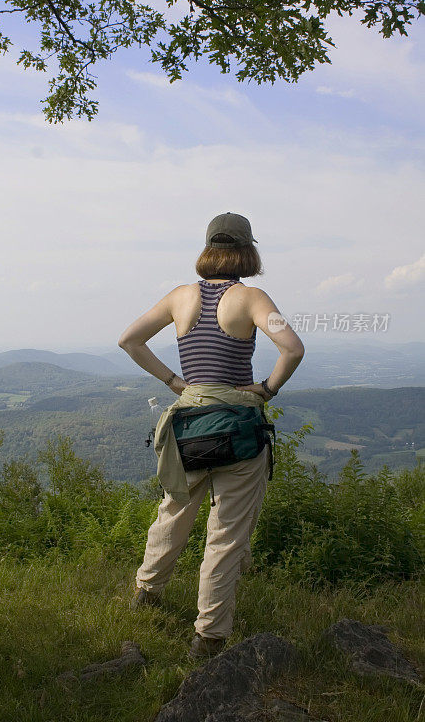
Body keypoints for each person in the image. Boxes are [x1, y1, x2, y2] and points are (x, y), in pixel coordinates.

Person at [117, 212, 305, 659]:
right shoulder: (252, 297)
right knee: (226, 534)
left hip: (188, 424)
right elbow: (293, 348)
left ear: (207, 249)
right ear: (247, 251)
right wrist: (266, 390)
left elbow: (130, 340)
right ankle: (209, 637)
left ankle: (147, 593)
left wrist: (173, 382)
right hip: (238, 424)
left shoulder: (180, 297)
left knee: (173, 512)